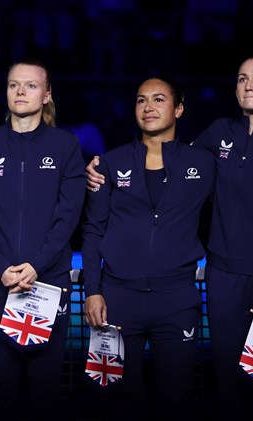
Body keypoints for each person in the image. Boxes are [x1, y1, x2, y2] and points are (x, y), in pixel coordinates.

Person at [85, 56, 253, 415]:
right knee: (226, 385)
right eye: (242, 78)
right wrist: (99, 167)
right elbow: (172, 159)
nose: (248, 85)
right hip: (222, 278)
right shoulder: (218, 134)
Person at [80, 76, 215, 417]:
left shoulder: (203, 163)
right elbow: (93, 231)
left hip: (176, 300)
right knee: (116, 401)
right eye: (141, 100)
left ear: (179, 109)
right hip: (116, 300)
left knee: (177, 399)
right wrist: (93, 291)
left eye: (158, 99)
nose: (148, 107)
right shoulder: (108, 164)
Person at [0, 59, 86, 419]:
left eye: (31, 86)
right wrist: (1, 267)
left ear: (47, 95)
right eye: (14, 84)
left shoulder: (65, 145)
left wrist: (37, 265)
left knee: (45, 390)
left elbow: (68, 215)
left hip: (47, 282)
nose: (20, 91)